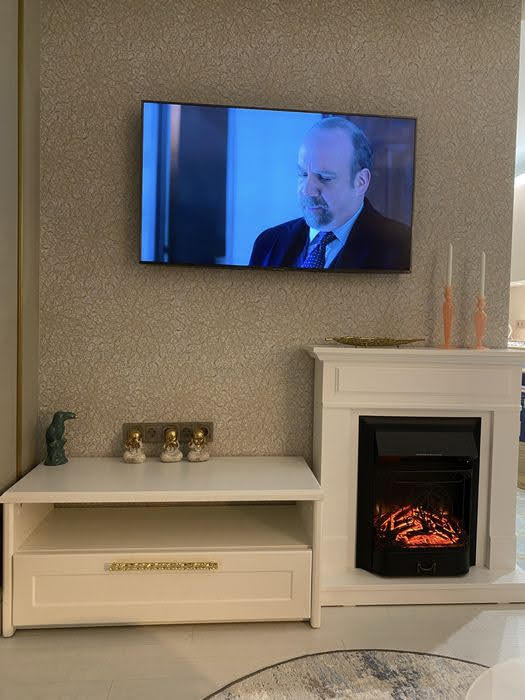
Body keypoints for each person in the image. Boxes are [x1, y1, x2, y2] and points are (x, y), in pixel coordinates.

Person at [249, 116, 411, 270]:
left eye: (324, 177)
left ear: (361, 182)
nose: (307, 190)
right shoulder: (268, 243)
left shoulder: (401, 248)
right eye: (303, 174)